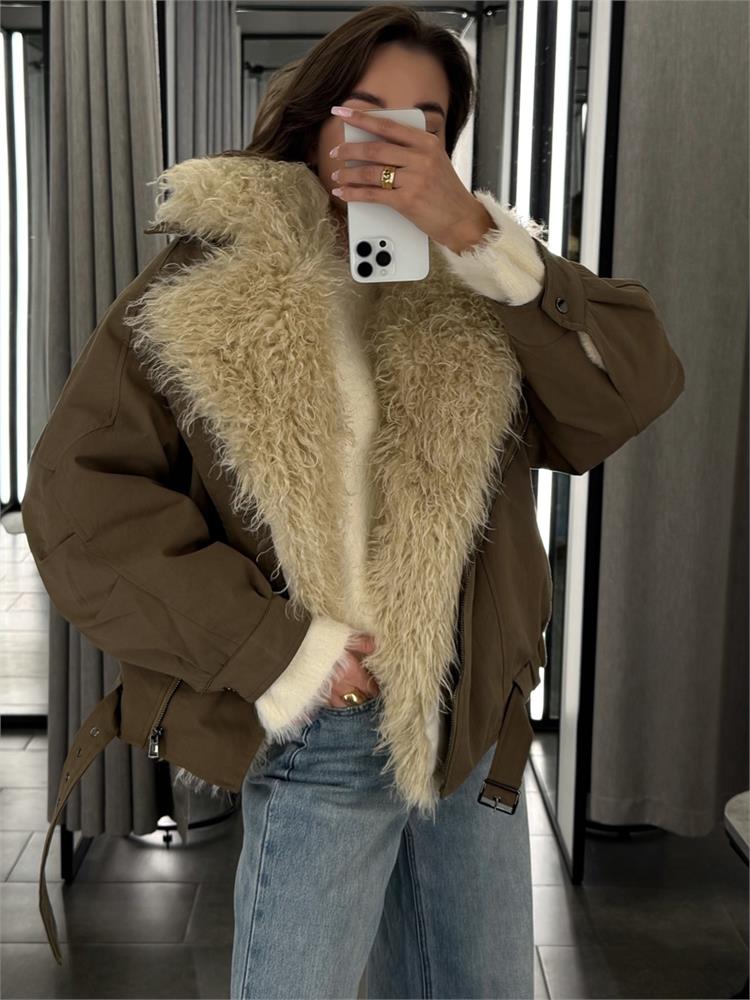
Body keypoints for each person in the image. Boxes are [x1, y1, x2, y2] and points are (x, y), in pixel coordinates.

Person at [22, 4, 685, 997]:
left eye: (422, 121)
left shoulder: (485, 283)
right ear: (316, 119)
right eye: (365, 110)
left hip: (473, 716)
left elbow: (627, 393)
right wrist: (276, 648)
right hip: (325, 723)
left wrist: (477, 237)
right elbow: (79, 502)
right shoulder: (209, 277)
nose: (388, 140)